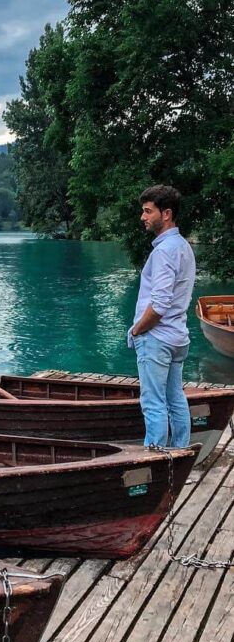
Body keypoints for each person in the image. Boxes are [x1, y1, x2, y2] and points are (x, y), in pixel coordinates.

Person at [128, 184, 196, 447]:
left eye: (148, 211)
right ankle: (180, 458)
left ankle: (156, 463)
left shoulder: (165, 251)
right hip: (178, 337)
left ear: (165, 214)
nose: (143, 217)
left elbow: (159, 305)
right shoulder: (183, 247)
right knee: (176, 399)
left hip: (158, 339)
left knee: (153, 403)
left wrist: (136, 330)